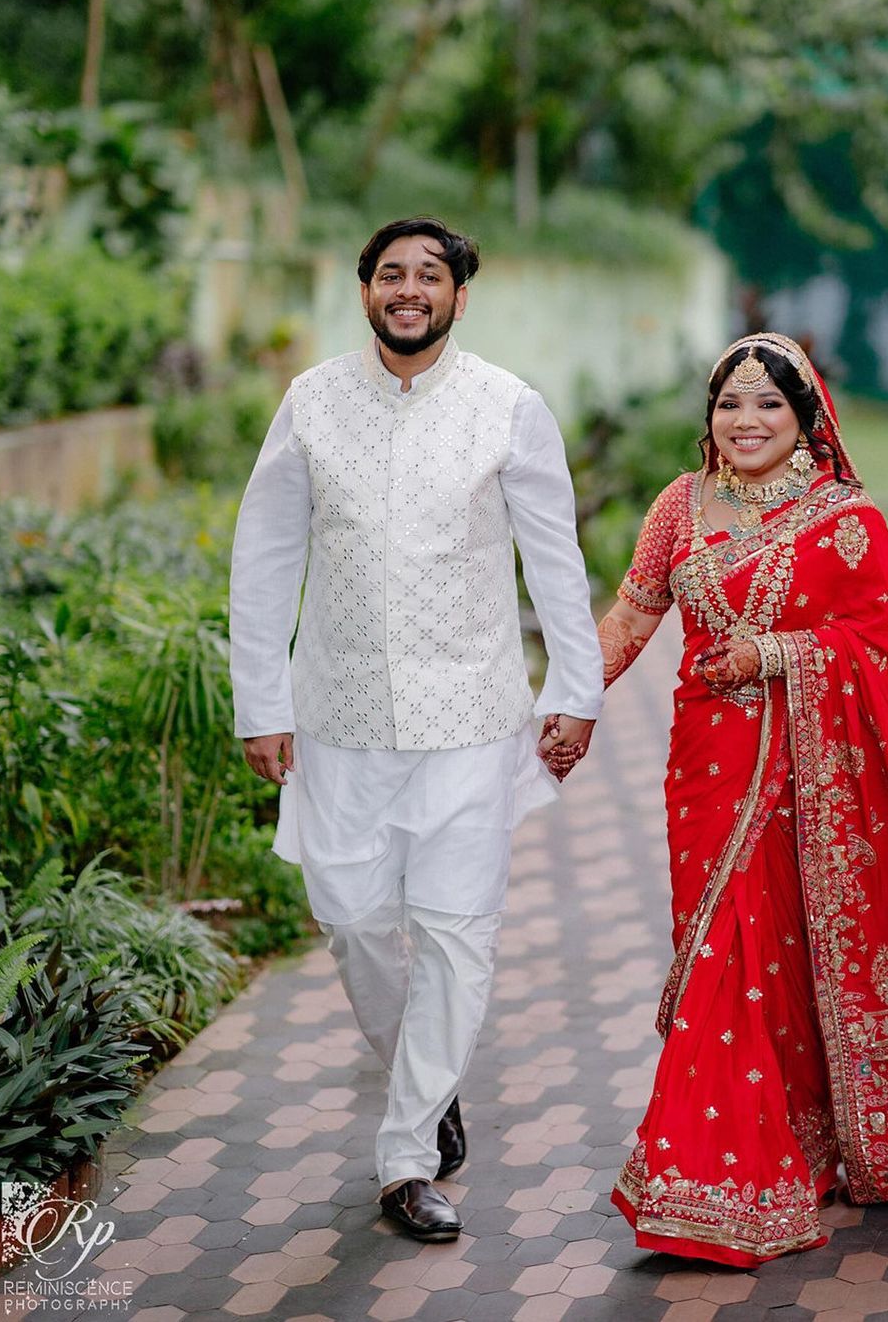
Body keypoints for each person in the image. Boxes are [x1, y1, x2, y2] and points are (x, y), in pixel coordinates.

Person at [228, 216, 602, 1243]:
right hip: (337, 716)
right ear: (364, 293)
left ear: (457, 297)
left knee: (452, 932)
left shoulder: (507, 408)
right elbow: (261, 558)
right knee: (349, 919)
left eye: (427, 276)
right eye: (390, 273)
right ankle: (425, 1082)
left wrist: (577, 688)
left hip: (473, 718)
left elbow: (554, 559)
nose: (408, 289)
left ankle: (405, 1156)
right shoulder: (311, 404)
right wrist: (258, 702)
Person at [597, 332, 888, 1267]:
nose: (745, 421)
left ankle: (726, 1177)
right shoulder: (677, 508)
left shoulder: (843, 519)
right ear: (709, 419)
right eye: (729, 404)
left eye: (768, 404)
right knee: (724, 944)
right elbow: (627, 619)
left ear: (806, 416)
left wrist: (775, 653)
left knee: (754, 946)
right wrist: (560, 708)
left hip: (801, 779)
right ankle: (785, 1138)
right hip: (706, 767)